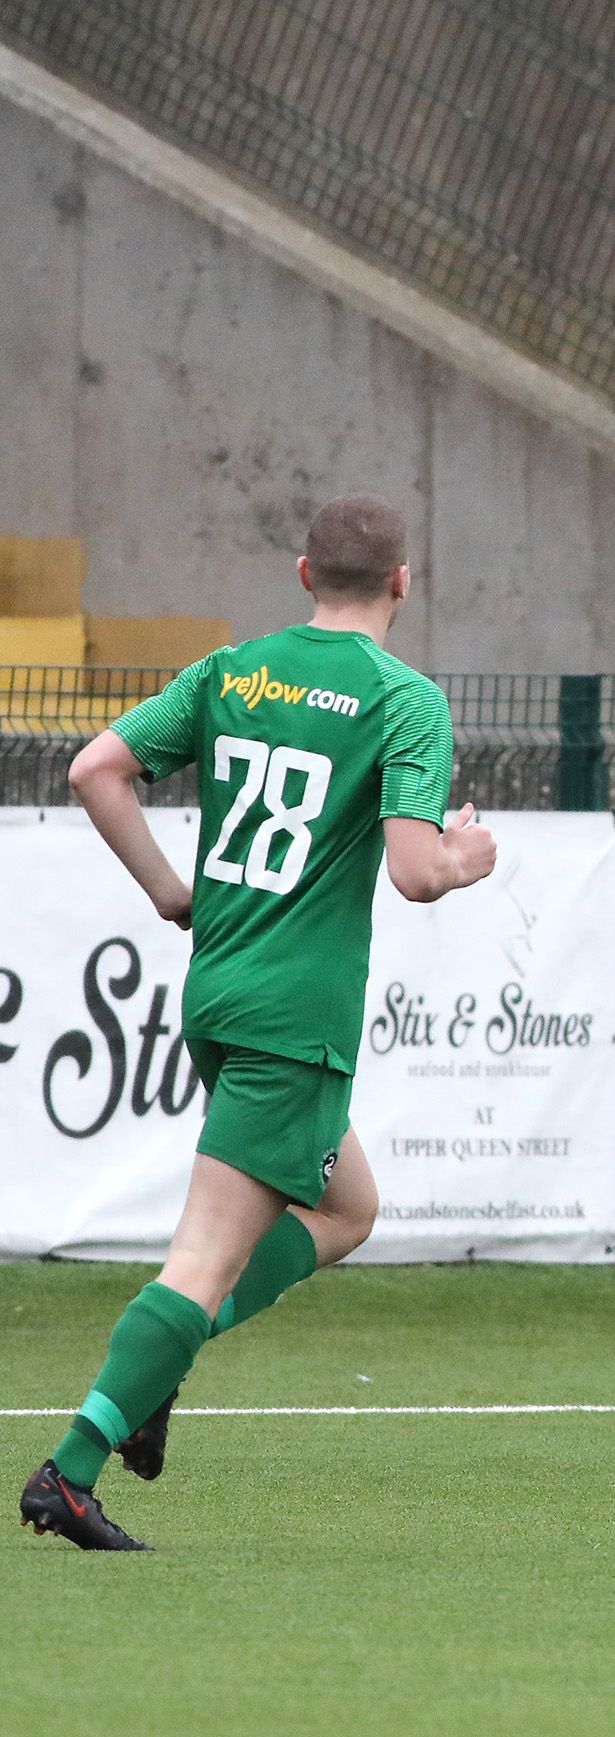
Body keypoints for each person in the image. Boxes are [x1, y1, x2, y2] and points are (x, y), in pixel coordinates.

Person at [20, 494, 496, 1551]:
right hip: (296, 1017)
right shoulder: (403, 698)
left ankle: (157, 1368)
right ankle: (72, 1470)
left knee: (349, 1207)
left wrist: (170, 892)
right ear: (404, 582)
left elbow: (96, 770)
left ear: (303, 573)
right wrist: (467, 856)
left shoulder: (235, 671)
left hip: (221, 991)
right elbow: (418, 872)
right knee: (201, 1259)